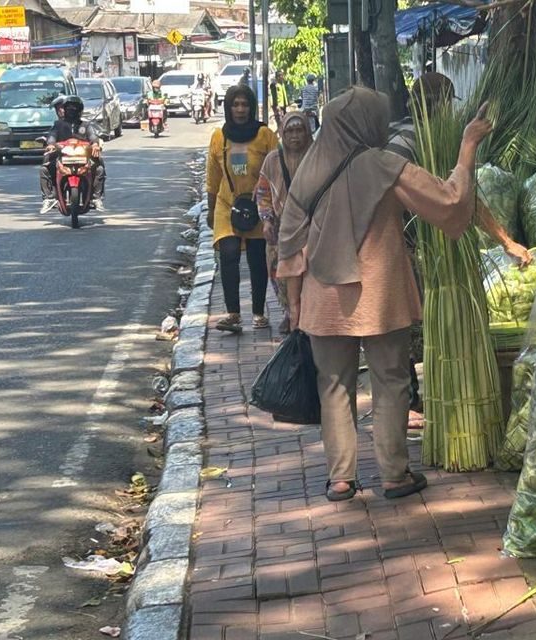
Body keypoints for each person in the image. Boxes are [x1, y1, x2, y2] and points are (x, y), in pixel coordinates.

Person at [277, 87, 493, 502]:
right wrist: (467, 145)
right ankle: (394, 474)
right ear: (367, 123)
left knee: (334, 386)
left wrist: (295, 300)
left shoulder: (309, 167)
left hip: (323, 296)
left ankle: (341, 478)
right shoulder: (383, 165)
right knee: (391, 380)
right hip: (379, 292)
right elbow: (448, 201)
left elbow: (289, 240)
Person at [385, 71, 532, 428]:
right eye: (444, 105)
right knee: (400, 328)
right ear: (434, 106)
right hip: (404, 251)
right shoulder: (411, 143)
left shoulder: (413, 136)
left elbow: (462, 198)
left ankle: (410, 402)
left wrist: (505, 240)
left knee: (404, 328)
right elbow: (453, 200)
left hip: (413, 251)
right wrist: (506, 241)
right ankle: (405, 404)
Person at [206, 84, 279, 333]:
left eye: (245, 104)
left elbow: (277, 171)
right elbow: (212, 176)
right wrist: (210, 207)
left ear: (252, 107)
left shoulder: (265, 135)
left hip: (258, 205)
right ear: (228, 107)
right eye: (235, 105)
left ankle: (258, 313)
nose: (240, 109)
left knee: (257, 260)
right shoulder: (219, 137)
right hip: (227, 205)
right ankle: (233, 314)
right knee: (228, 255)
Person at [254, 111, 313, 334]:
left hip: (310, 226)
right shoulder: (273, 160)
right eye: (290, 131)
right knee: (280, 273)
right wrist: (267, 221)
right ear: (282, 133)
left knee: (308, 273)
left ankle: (306, 315)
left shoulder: (316, 156)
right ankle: (290, 314)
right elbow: (263, 191)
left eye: (300, 130)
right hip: (280, 227)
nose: (295, 136)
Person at [40, 95, 106, 214]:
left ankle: (96, 198)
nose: (72, 111)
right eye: (69, 108)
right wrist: (50, 144)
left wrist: (95, 144)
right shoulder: (58, 125)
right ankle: (49, 198)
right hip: (62, 156)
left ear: (80, 110)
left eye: (75, 108)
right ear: (64, 110)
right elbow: (52, 136)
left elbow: (93, 136)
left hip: (83, 157)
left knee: (100, 166)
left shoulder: (86, 125)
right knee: (45, 167)